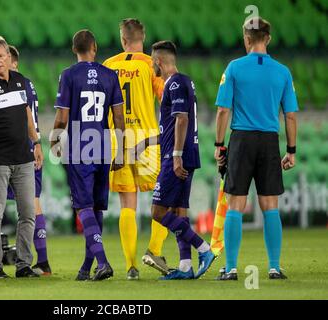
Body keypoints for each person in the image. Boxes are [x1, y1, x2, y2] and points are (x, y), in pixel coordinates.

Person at [214, 17, 298, 280]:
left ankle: (231, 268)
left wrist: (219, 145)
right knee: (270, 205)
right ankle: (274, 267)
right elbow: (291, 116)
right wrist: (291, 150)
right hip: (269, 141)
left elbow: (223, 110)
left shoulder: (234, 68)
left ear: (246, 39)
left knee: (236, 205)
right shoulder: (283, 72)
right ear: (268, 39)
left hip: (241, 139)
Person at [51, 29, 125, 281]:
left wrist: (54, 141)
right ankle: (86, 267)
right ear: (94, 47)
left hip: (79, 144)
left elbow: (61, 117)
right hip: (102, 144)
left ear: (75, 50)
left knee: (83, 206)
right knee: (96, 208)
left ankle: (102, 262)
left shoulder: (68, 75)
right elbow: (118, 118)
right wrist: (123, 149)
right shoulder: (109, 74)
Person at [103, 18, 169, 280]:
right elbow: (166, 98)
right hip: (148, 139)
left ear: (122, 39)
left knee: (127, 205)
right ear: (143, 37)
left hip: (117, 140)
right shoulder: (151, 65)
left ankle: (131, 267)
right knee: (165, 200)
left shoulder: (108, 65)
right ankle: (153, 250)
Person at [150, 40, 215, 280]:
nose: (152, 67)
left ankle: (204, 249)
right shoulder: (185, 81)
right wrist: (145, 143)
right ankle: (186, 266)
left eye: (152, 62)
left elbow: (182, 120)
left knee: (158, 212)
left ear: (158, 61)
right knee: (179, 211)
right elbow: (170, 127)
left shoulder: (175, 82)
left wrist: (176, 156)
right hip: (186, 153)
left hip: (176, 156)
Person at [0, 36, 43, 279]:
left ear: (9, 57)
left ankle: (23, 265)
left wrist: (36, 142)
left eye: (0, 56)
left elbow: (27, 113)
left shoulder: (21, 82)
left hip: (23, 158)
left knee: (27, 213)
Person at [7, 45, 51, 275]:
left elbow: (24, 118)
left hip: (22, 147)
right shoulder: (28, 83)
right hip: (30, 146)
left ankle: (41, 261)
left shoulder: (16, 83)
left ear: (14, 62)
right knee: (31, 204)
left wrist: (33, 143)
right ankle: (41, 260)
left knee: (28, 205)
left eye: (7, 61)